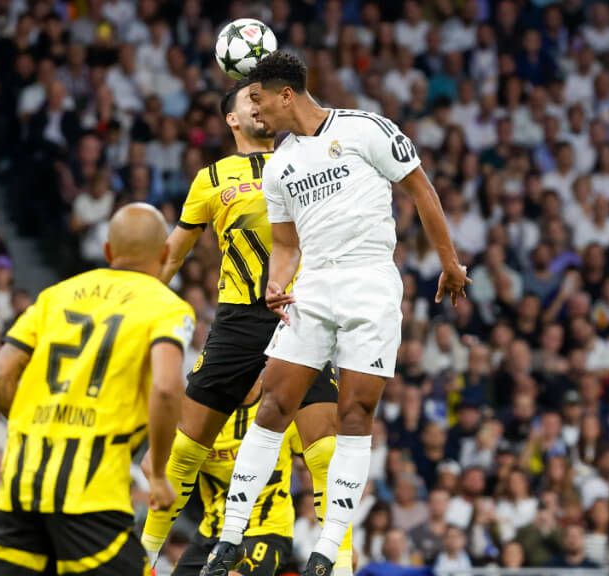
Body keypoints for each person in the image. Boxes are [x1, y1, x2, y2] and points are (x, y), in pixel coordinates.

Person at [203, 51, 469, 576]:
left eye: (258, 100)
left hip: (370, 280)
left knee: (355, 414)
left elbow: (420, 188)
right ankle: (230, 535)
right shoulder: (279, 165)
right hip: (316, 283)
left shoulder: (366, 128)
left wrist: (449, 262)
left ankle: (328, 545)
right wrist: (275, 280)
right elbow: (285, 243)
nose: (255, 113)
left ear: (286, 95)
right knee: (273, 405)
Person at [142, 81, 352, 574]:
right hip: (238, 319)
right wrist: (141, 304)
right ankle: (142, 561)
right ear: (232, 119)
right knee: (182, 458)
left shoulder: (308, 159)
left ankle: (342, 565)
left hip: (302, 314)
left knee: (327, 456)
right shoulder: (212, 178)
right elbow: (172, 254)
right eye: (248, 101)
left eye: (263, 98)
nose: (257, 106)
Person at [0, 203, 195, 576]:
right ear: (164, 254)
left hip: (20, 488)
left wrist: (45, 429)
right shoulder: (167, 308)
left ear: (109, 252)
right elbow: (165, 387)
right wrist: (158, 474)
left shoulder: (55, 296)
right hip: (92, 499)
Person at [168, 377, 301, 576]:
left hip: (265, 529)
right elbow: (155, 464)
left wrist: (340, 542)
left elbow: (319, 466)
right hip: (211, 532)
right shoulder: (199, 414)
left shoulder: (283, 407)